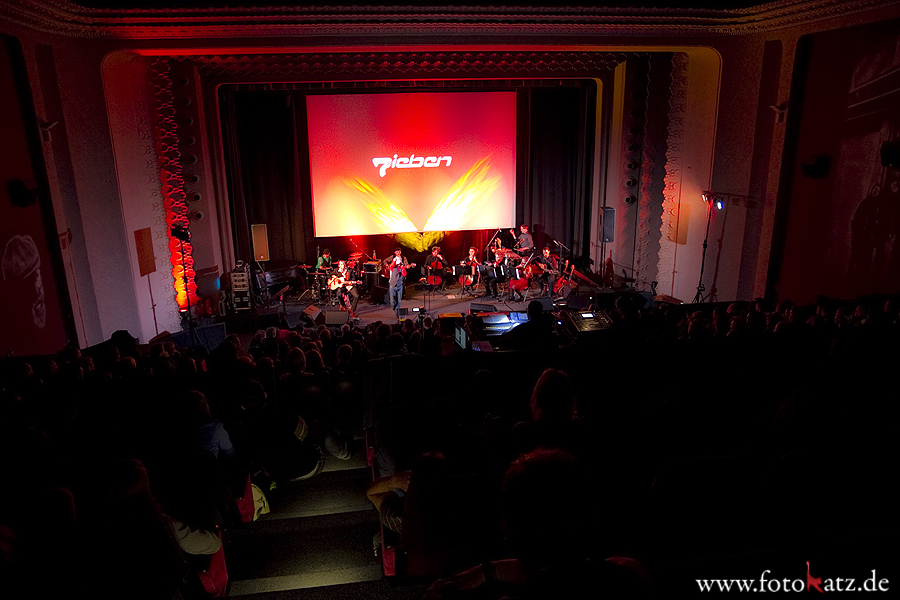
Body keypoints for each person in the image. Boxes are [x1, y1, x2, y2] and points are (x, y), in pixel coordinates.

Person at [384, 248, 411, 320]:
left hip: (399, 283)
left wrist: (408, 266)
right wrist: (387, 265)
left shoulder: (403, 258)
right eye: (397, 251)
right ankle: (394, 308)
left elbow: (407, 265)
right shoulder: (392, 258)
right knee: (392, 301)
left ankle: (397, 314)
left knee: (399, 300)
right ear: (394, 252)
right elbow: (385, 261)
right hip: (392, 283)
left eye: (399, 251)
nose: (398, 252)